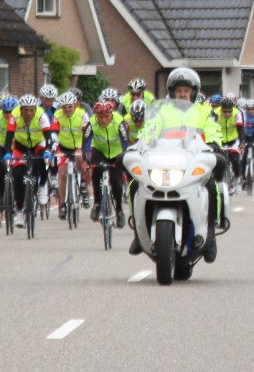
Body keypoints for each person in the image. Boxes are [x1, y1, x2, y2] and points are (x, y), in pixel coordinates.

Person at [131, 68, 227, 259]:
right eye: (179, 90)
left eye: (186, 90)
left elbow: (213, 129)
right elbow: (150, 129)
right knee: (135, 184)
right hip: (164, 160)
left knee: (211, 186)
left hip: (194, 161)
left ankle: (210, 236)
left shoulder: (204, 111)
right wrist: (140, 144)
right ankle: (138, 235)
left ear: (194, 92)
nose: (182, 94)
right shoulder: (161, 110)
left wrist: (214, 143)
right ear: (172, 92)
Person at [10, 94, 55, 227]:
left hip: (38, 144)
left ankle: (42, 186)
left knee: (43, 162)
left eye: (31, 110)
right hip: (20, 146)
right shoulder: (14, 115)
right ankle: (19, 211)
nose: (29, 113)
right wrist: (7, 153)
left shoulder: (41, 115)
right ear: (21, 109)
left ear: (35, 109)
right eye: (26, 110)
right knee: (18, 176)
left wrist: (48, 151)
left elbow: (48, 137)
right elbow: (8, 137)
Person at [86, 100, 128, 224]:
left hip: (116, 153)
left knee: (116, 181)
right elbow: (86, 143)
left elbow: (125, 142)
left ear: (111, 114)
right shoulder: (92, 123)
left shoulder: (119, 122)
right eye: (100, 117)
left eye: (106, 116)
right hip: (99, 151)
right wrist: (87, 158)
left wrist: (123, 157)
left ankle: (119, 211)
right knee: (96, 173)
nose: (103, 119)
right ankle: (97, 204)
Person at [53, 91, 90, 219]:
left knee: (79, 157)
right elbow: (53, 133)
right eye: (65, 107)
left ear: (74, 105)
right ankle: (63, 204)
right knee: (62, 174)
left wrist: (86, 149)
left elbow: (88, 134)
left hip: (79, 145)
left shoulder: (82, 115)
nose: (67, 109)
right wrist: (53, 147)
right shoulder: (57, 116)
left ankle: (83, 183)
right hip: (63, 146)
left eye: (70, 106)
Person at [0, 95, 18, 216]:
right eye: (5, 112)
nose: (8, 114)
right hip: (2, 147)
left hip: (16, 148)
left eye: (10, 112)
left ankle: (16, 200)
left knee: (17, 172)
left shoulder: (19, 118)